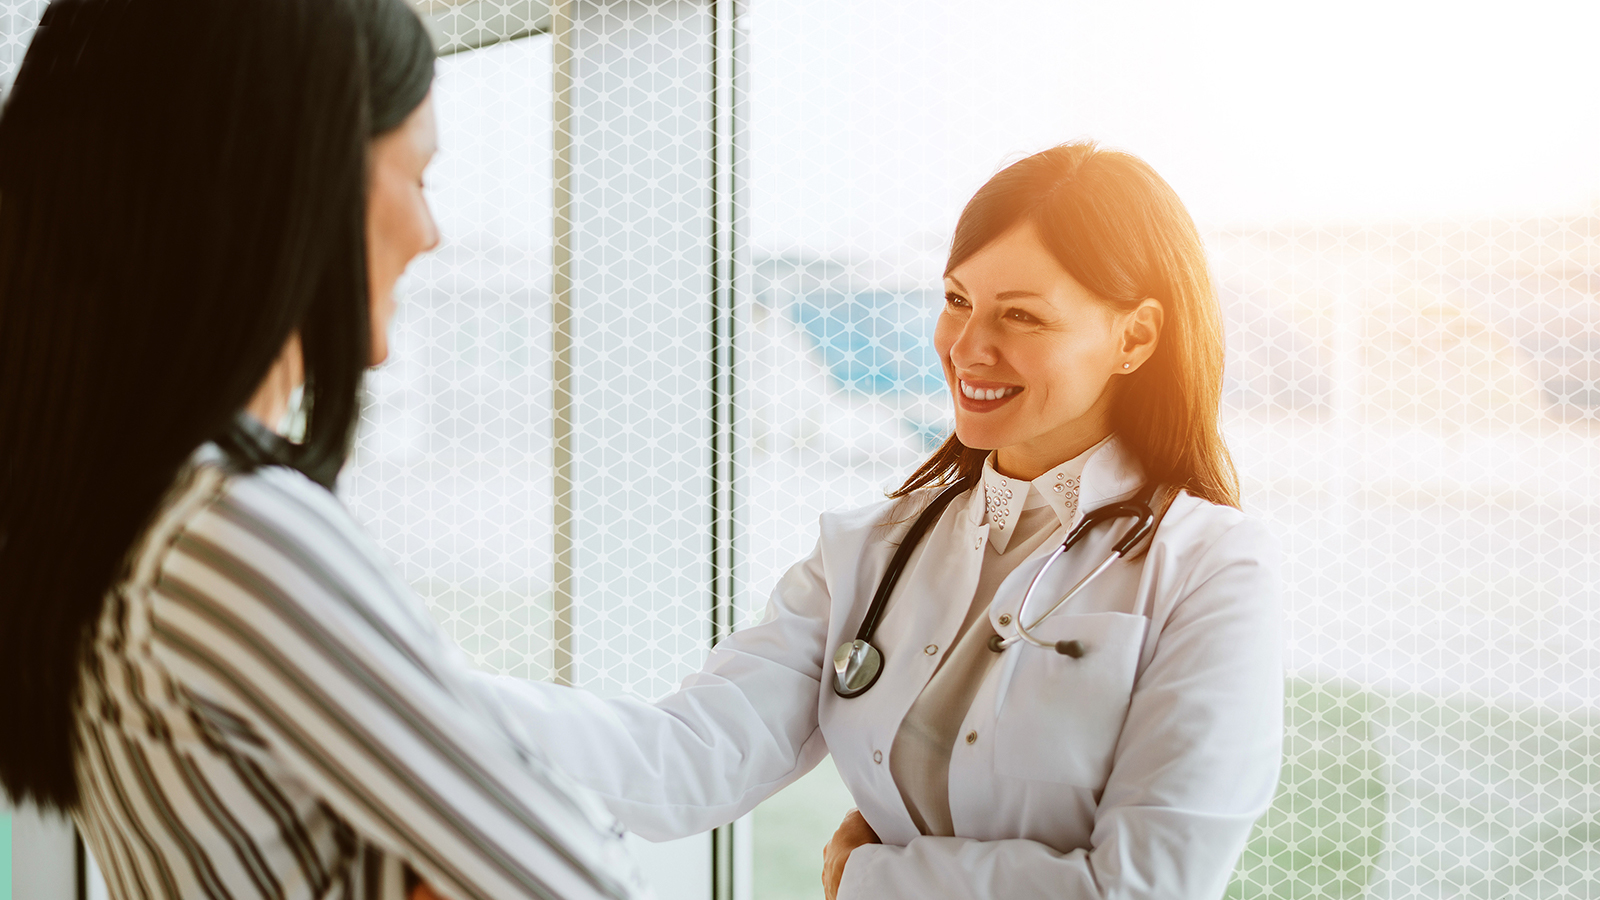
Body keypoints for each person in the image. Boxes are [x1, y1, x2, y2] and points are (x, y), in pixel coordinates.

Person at [493, 142, 1284, 899]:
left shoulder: (1211, 567)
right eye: (956, 300)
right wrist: (424, 689)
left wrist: (875, 880)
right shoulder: (868, 548)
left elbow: (1149, 888)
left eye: (1022, 317)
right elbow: (682, 761)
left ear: (1135, 337)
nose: (968, 347)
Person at [0, 1, 647, 898]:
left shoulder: (121, 518)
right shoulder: (237, 532)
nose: (431, 232)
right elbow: (589, 883)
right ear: (304, 184)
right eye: (418, 177)